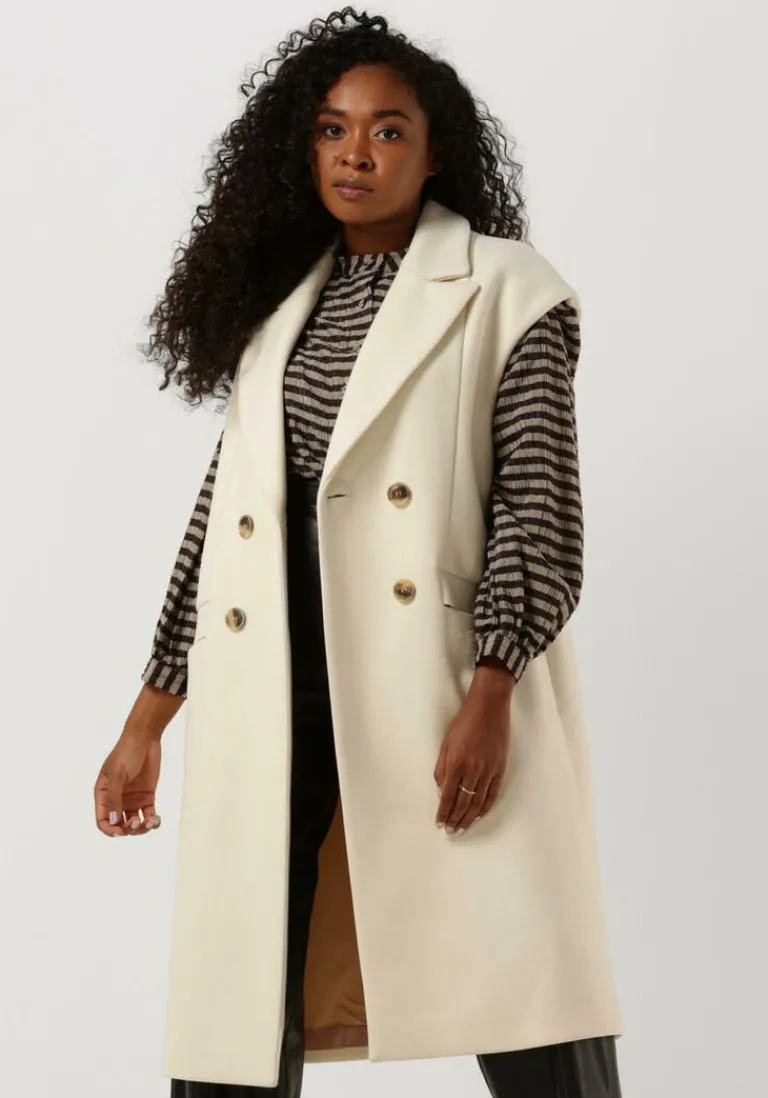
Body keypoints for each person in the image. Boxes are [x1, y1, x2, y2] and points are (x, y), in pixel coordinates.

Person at [94, 8, 624, 1096]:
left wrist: (491, 688)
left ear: (436, 154)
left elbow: (540, 511)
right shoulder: (279, 310)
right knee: (242, 987)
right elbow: (221, 526)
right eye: (333, 129)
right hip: (272, 673)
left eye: (388, 131)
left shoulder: (506, 287)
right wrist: (146, 721)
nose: (356, 153)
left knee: (524, 971)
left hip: (431, 675)